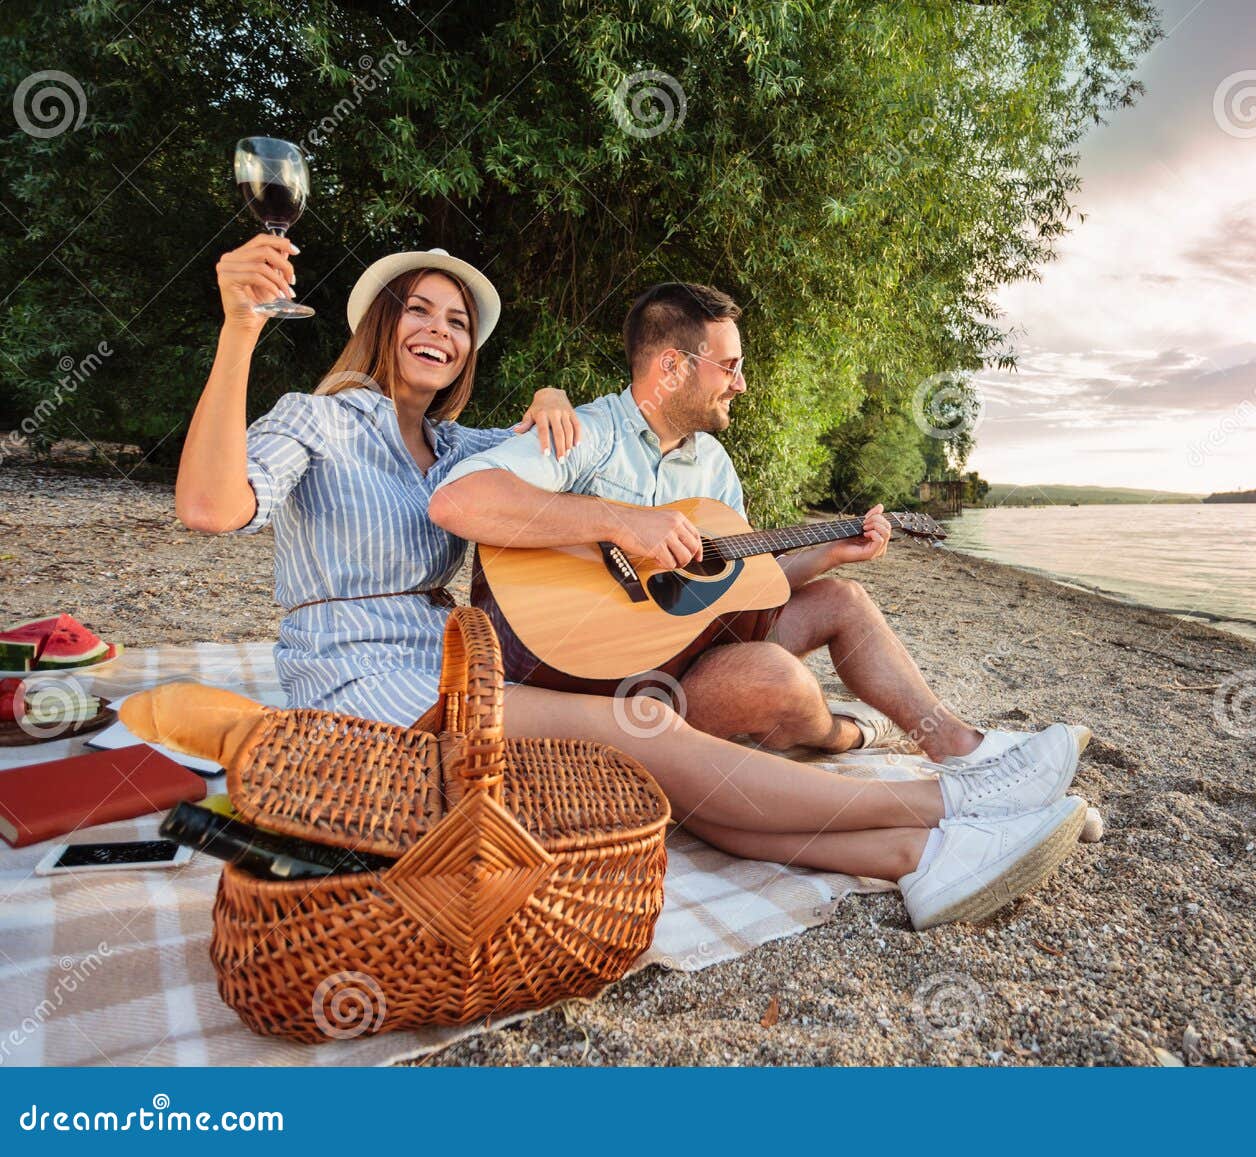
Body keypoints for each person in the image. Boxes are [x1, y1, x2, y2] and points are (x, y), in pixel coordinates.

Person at [176, 238, 1090, 930]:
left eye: (458, 322)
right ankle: (955, 801)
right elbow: (212, 507)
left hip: (450, 657)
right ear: (380, 326)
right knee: (645, 728)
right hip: (358, 681)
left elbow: (504, 475)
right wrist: (239, 330)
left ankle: (918, 856)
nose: (440, 332)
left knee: (661, 770)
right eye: (420, 312)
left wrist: (545, 398)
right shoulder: (319, 419)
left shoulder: (450, 442)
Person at [428, 281, 1087, 773]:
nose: (742, 383)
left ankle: (959, 745)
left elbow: (743, 586)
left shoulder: (712, 464)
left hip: (684, 659)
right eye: (730, 365)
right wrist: (620, 520)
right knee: (778, 680)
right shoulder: (586, 434)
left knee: (842, 600)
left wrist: (829, 551)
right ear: (673, 368)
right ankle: (841, 736)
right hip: (588, 684)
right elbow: (459, 501)